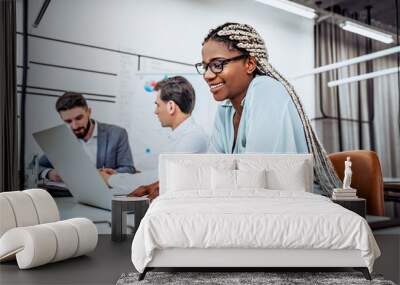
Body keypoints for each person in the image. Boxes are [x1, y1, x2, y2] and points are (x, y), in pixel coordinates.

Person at [194, 22, 341, 195]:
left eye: (217, 64)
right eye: (205, 67)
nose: (207, 75)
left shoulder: (266, 89)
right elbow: (214, 169)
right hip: (255, 202)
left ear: (249, 63)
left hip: (298, 207)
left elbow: (254, 175)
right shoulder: (225, 109)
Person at [100, 76, 208, 199]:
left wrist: (110, 179)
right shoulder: (181, 135)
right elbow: (154, 170)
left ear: (171, 107)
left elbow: (160, 179)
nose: (156, 111)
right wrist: (119, 174)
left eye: (158, 105)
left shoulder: (194, 138)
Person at [39, 92, 135, 182]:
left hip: (105, 194)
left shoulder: (117, 134)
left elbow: (129, 169)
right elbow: (37, 166)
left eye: (79, 118)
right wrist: (49, 173)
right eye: (68, 121)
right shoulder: (61, 140)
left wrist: (114, 174)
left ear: (88, 112)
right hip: (67, 196)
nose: (75, 126)